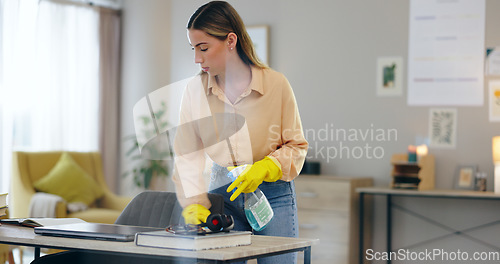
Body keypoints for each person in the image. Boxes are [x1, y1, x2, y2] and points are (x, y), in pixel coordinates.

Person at [172, 1, 308, 263]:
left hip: (273, 196)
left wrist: (265, 167)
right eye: (193, 49)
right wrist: (195, 202)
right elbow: (187, 154)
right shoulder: (194, 91)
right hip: (221, 197)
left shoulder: (275, 84)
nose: (197, 59)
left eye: (203, 48)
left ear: (230, 40)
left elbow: (296, 146)